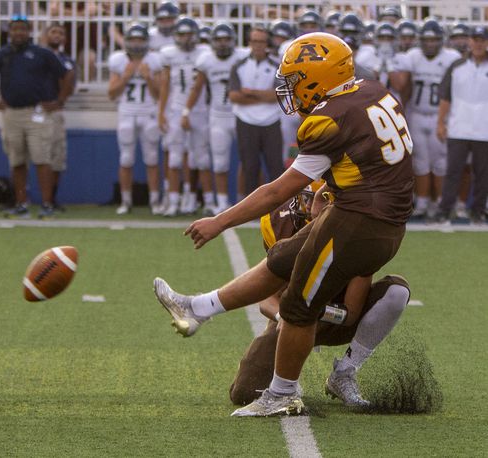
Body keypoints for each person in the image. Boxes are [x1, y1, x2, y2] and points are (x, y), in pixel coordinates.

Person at [154, 32, 414, 416]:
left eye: (294, 81)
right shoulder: (372, 90)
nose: (288, 89)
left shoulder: (328, 119)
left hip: (358, 221)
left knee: (296, 309)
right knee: (282, 260)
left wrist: (220, 222)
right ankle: (197, 308)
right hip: (382, 221)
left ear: (316, 77)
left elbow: (277, 192)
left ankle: (281, 394)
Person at [229, 186, 411, 406]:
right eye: (309, 200)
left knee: (397, 292)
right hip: (289, 318)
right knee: (246, 392)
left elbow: (351, 313)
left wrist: (313, 312)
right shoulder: (282, 224)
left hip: (332, 316)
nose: (313, 207)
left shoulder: (358, 230)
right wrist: (286, 318)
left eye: (326, 202)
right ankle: (283, 378)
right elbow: (267, 298)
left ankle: (344, 373)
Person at [0, 15, 72, 219]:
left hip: (36, 112)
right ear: (9, 32)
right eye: (15, 29)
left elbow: (66, 75)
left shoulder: (41, 53)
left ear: (29, 31)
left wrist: (59, 101)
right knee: (16, 160)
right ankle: (21, 203)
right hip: (11, 114)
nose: (19, 33)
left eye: (22, 29)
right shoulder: (3, 54)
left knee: (42, 159)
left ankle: (47, 203)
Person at [393, 19, 461, 219]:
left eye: (434, 40)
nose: (430, 44)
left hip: (440, 115)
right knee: (420, 161)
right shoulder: (412, 56)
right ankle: (422, 202)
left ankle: (439, 202)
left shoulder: (451, 58)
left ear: (441, 40)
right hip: (416, 113)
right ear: (420, 40)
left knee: (440, 162)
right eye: (427, 40)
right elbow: (403, 87)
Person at [187, 22, 246, 215]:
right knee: (220, 161)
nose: (222, 43)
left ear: (233, 40)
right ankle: (221, 203)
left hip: (241, 114)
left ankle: (242, 200)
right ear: (212, 42)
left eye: (226, 39)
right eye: (219, 39)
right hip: (218, 116)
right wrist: (186, 111)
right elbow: (197, 88)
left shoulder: (242, 56)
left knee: (248, 160)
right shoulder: (206, 60)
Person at [108, 23, 163, 215]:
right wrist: (125, 77)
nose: (137, 44)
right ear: (127, 41)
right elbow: (111, 93)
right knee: (126, 158)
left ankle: (155, 201)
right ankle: (126, 201)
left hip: (149, 112)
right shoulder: (118, 60)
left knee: (152, 158)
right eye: (133, 39)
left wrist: (149, 77)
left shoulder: (155, 60)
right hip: (127, 112)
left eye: (141, 39)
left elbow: (159, 94)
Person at [158, 17, 210, 217]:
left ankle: (195, 198)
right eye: (181, 34)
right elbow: (165, 85)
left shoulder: (204, 53)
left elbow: (201, 86)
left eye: (189, 33)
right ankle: (173, 200)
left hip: (200, 109)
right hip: (175, 108)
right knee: (174, 158)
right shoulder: (168, 54)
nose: (186, 38)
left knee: (199, 158)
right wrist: (161, 112)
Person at [436, 25, 488, 224]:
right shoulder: (456, 66)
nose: (478, 44)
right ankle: (445, 210)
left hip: (485, 129)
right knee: (453, 172)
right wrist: (441, 122)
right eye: (475, 40)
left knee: (482, 175)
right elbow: (445, 97)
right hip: (458, 127)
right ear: (470, 42)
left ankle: (478, 212)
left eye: (482, 40)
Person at [228, 25, 284, 197]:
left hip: (271, 120)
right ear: (249, 42)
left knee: (275, 166)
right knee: (249, 166)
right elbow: (234, 96)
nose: (258, 45)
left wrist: (250, 92)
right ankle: (250, 210)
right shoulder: (238, 65)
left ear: (267, 43)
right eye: (254, 41)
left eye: (261, 41)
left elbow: (277, 95)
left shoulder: (277, 65)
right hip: (245, 120)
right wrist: (263, 96)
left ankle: (280, 208)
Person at [44, 23, 77, 212]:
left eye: (60, 33)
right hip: (35, 109)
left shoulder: (67, 61)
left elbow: (70, 85)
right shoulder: (38, 56)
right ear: (45, 35)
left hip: (55, 111)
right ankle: (20, 199)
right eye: (53, 32)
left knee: (56, 157)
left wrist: (58, 100)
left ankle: (51, 199)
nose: (57, 35)